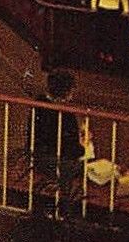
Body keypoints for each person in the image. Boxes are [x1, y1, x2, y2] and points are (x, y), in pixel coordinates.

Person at [31, 70, 89, 200]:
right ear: (67, 91)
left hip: (37, 158)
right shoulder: (67, 115)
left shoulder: (38, 103)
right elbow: (74, 151)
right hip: (59, 163)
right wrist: (84, 144)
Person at [90, 0, 129, 67]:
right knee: (104, 32)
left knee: (110, 33)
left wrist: (126, 9)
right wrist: (93, 6)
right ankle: (104, 53)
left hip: (111, 9)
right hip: (105, 7)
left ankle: (107, 53)